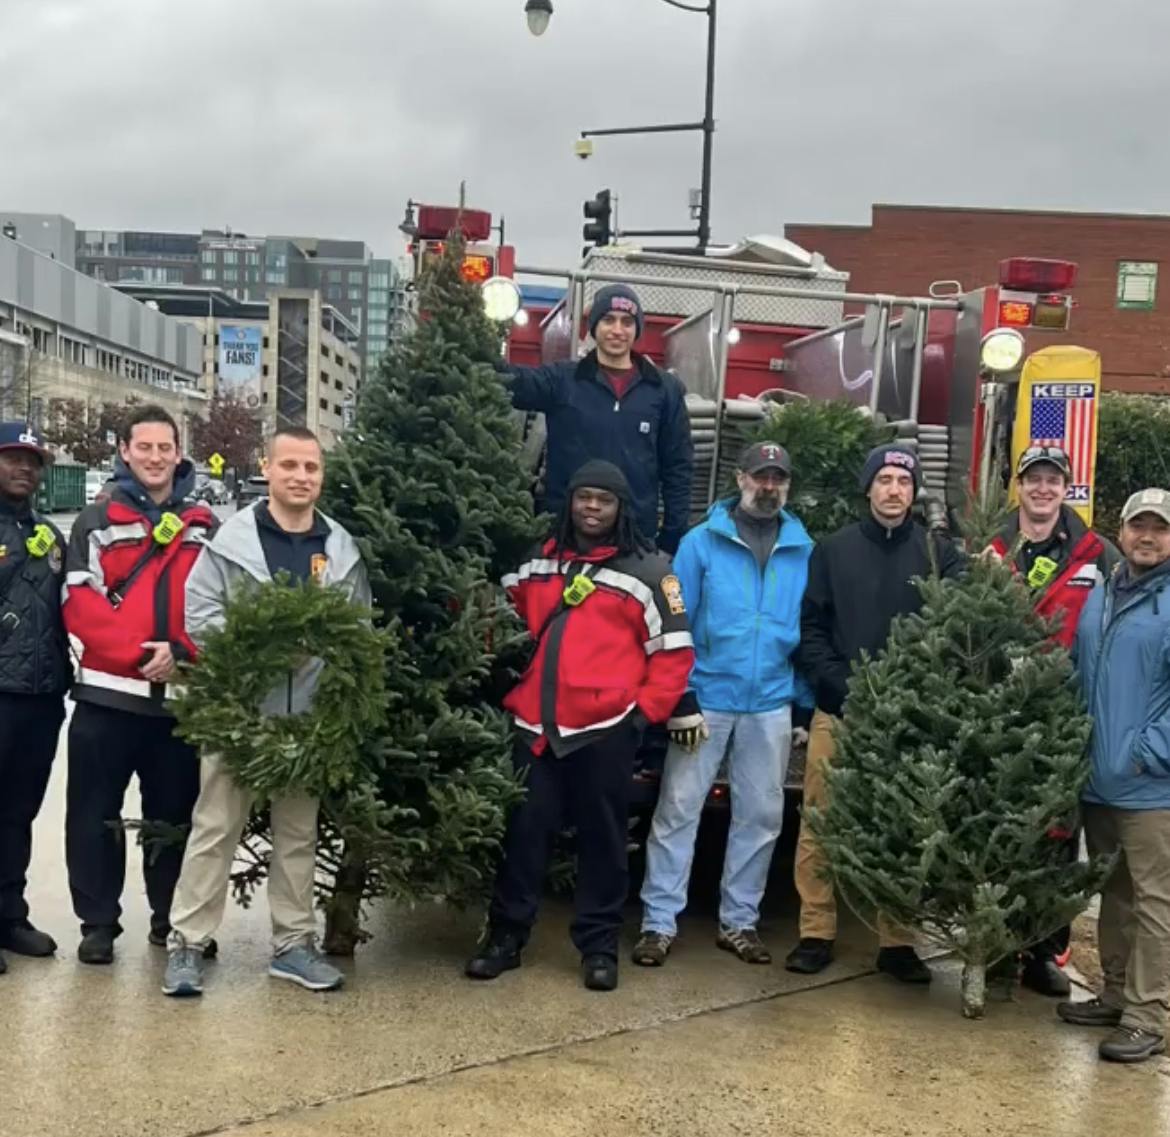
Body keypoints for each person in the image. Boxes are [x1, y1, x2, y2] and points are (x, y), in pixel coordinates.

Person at [465, 459, 694, 991]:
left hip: (606, 728)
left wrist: (642, 717)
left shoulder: (652, 571)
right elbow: (494, 619)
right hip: (534, 726)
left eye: (604, 499)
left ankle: (597, 947)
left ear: (621, 508)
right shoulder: (537, 562)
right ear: (569, 502)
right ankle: (505, 937)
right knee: (523, 835)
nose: (592, 507)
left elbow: (674, 653)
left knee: (605, 840)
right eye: (583, 497)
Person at [162, 427, 370, 997]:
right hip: (239, 713)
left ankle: (292, 945)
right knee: (214, 827)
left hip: (309, 719)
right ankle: (188, 943)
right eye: (291, 465)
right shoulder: (233, 543)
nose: (302, 476)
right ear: (268, 469)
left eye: (312, 467)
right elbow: (199, 611)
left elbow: (358, 627)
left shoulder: (341, 550)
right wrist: (261, 646)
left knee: (298, 834)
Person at [785, 443, 964, 983]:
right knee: (820, 821)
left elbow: (953, 632)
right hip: (840, 713)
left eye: (904, 482)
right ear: (868, 489)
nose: (893, 490)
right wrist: (843, 687)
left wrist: (912, 693)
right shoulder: (832, 551)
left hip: (909, 718)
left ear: (914, 493)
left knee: (906, 827)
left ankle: (898, 941)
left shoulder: (938, 556)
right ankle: (815, 931)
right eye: (884, 480)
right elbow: (811, 630)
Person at [634, 442, 813, 967]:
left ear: (787, 486)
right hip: (707, 696)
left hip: (771, 702)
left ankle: (740, 923)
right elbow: (675, 624)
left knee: (761, 816)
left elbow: (812, 630)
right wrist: (681, 694)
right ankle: (657, 923)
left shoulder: (803, 549)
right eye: (761, 476)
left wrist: (801, 706)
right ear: (740, 479)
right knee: (678, 809)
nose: (769, 486)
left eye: (778, 478)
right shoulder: (700, 544)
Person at [63, 406, 218, 965]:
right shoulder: (96, 520)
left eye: (165, 447)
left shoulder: (205, 525)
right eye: (144, 447)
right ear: (124, 451)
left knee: (174, 819)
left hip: (181, 702)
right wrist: (139, 656)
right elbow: (78, 603)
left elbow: (221, 606)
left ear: (179, 453)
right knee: (94, 815)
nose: (155, 457)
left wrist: (184, 654)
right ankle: (98, 924)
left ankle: (170, 921)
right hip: (107, 697)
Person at [986, 445, 1120, 997]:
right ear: (1018, 486)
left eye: (1053, 480)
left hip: (1065, 720)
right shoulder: (989, 550)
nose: (1043, 489)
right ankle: (993, 949)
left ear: (1067, 488)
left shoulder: (1097, 554)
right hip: (996, 719)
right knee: (995, 833)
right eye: (1033, 479)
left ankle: (1044, 951)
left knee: (1057, 841)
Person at [1060, 487, 1170, 1064]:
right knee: (1114, 894)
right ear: (1121, 532)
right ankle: (1115, 992)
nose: (1147, 537)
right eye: (1138, 526)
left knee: (1155, 901)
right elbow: (1081, 675)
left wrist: (1146, 751)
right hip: (1098, 780)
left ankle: (1147, 1015)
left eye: (1160, 528)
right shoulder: (1100, 594)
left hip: (1151, 784)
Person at [497, 283, 693, 554]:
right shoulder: (563, 380)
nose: (617, 330)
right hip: (567, 536)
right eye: (608, 320)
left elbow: (678, 466)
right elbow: (511, 382)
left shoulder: (664, 389)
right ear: (594, 327)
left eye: (626, 322)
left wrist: (673, 532)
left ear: (637, 329)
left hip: (633, 540)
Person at [0, 424, 70, 973]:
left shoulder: (48, 535)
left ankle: (9, 916)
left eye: (33, 461)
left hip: (41, 696)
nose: (24, 468)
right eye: (13, 458)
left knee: (19, 812)